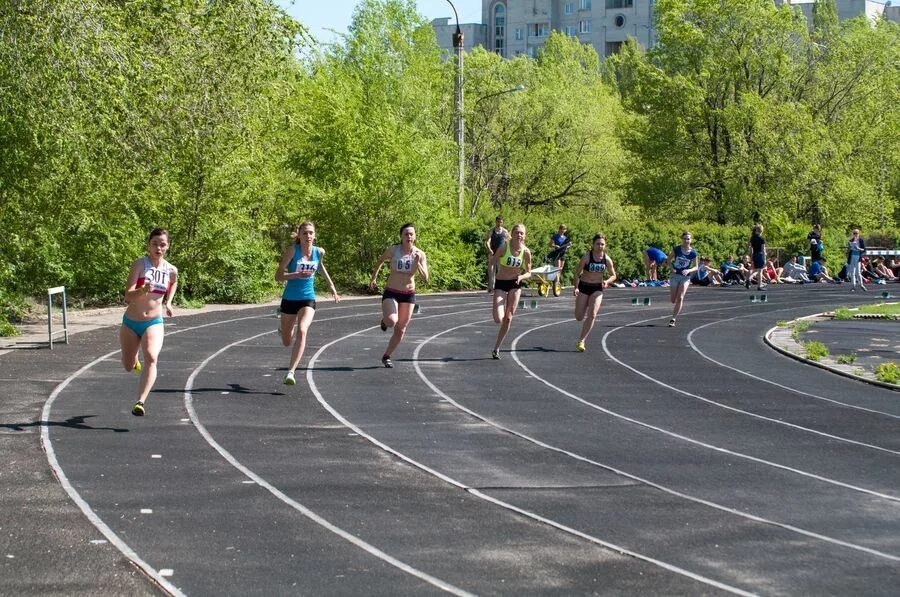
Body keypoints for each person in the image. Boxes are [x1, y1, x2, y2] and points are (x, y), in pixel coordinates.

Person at [119, 228, 178, 416]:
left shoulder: (171, 270)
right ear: (148, 245)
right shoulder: (139, 265)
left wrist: (168, 302)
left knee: (152, 356)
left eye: (162, 244)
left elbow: (174, 282)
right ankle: (134, 360)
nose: (158, 248)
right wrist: (143, 290)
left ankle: (140, 402)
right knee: (128, 366)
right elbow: (128, 296)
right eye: (155, 244)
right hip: (131, 322)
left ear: (167, 246)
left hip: (153, 321)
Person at [275, 221, 340, 385]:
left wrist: (331, 286)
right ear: (299, 235)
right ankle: (282, 329)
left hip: (308, 298)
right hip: (290, 298)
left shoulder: (319, 252)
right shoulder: (292, 251)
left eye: (311, 233)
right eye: (304, 233)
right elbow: (278, 276)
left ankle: (291, 372)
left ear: (315, 235)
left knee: (303, 330)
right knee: (286, 341)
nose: (308, 236)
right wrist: (296, 274)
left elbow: (321, 268)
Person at [369, 223, 428, 368]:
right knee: (391, 321)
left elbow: (425, 277)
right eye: (406, 234)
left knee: (401, 329)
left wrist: (417, 263)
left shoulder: (420, 254)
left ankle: (387, 355)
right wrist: (373, 278)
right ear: (401, 236)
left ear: (415, 237)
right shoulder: (393, 250)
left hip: (408, 294)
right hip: (392, 291)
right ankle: (385, 320)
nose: (409, 236)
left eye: (411, 234)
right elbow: (380, 261)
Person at [490, 223, 532, 359]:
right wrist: (492, 282)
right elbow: (491, 263)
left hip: (515, 283)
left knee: (508, 318)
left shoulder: (526, 252)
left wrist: (521, 276)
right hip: (501, 283)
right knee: (498, 319)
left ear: (524, 236)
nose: (519, 235)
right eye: (517, 232)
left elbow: (529, 272)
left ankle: (496, 348)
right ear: (512, 234)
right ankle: (498, 340)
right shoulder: (504, 247)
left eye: (521, 233)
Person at [572, 234, 616, 352]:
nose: (600, 246)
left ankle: (582, 341)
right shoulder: (586, 257)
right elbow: (576, 273)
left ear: (605, 245)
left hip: (597, 288)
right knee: (579, 317)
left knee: (592, 315)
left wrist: (607, 281)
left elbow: (613, 275)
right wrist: (576, 287)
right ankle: (583, 304)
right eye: (598, 244)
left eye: (602, 244)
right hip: (584, 287)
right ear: (593, 244)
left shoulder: (607, 259)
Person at [667, 231, 699, 327]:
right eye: (685, 238)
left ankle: (673, 319)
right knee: (673, 300)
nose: (686, 240)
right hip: (675, 276)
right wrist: (672, 268)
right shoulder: (677, 249)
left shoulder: (693, 253)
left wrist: (689, 270)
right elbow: (668, 259)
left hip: (685, 278)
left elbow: (696, 266)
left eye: (688, 239)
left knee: (680, 297)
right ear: (682, 239)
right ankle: (675, 303)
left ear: (691, 240)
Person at [485, 216, 508, 294]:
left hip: (501, 255)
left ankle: (501, 287)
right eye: (498, 222)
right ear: (496, 222)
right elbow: (487, 241)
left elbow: (509, 241)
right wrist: (489, 249)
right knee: (491, 271)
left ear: (502, 222)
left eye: (501, 222)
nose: (499, 223)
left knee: (500, 271)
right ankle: (492, 287)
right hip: (492, 254)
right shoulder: (491, 231)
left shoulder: (505, 231)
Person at [746, 224, 767, 291]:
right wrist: (765, 258)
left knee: (752, 269)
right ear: (761, 230)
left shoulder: (752, 238)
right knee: (760, 271)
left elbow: (750, 248)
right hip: (760, 255)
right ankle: (759, 286)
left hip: (754, 254)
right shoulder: (761, 238)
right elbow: (763, 249)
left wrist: (751, 256)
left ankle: (748, 279)